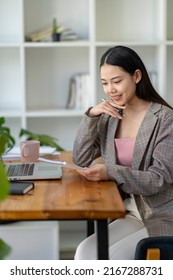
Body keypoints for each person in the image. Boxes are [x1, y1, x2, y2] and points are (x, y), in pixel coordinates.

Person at [72, 45, 173, 260]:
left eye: (117, 81)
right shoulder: (109, 117)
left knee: (111, 258)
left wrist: (110, 172)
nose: (110, 90)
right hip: (131, 211)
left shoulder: (165, 118)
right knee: (85, 253)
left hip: (162, 214)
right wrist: (91, 115)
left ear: (136, 76)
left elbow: (158, 179)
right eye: (105, 83)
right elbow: (81, 159)